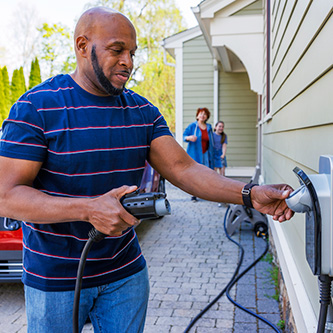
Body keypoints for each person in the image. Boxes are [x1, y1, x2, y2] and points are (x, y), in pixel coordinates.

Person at [0, 7, 294, 333]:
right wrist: (88, 209)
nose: (128, 61)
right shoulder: (36, 108)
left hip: (125, 274)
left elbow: (185, 170)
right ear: (82, 46)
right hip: (55, 280)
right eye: (117, 50)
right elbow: (7, 196)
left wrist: (250, 196)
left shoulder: (142, 111)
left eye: (132, 52)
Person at [183, 107, 214, 201]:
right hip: (195, 154)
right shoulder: (193, 126)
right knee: (195, 174)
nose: (202, 116)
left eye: (204, 114)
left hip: (206, 153)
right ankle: (194, 194)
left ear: (207, 117)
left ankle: (206, 193)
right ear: (197, 116)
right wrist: (189, 138)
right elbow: (184, 136)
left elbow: (211, 140)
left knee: (206, 173)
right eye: (201, 114)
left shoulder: (209, 127)